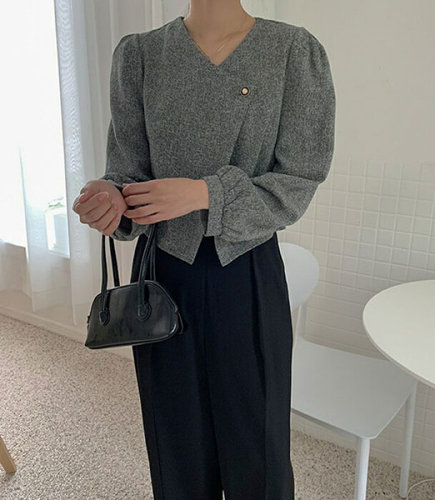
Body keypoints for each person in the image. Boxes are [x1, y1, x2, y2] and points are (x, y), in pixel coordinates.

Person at [73, 1, 335, 498]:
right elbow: (127, 172)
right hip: (163, 272)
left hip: (246, 270)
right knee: (175, 440)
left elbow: (299, 179)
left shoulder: (292, 51)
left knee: (258, 444)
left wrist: (206, 193)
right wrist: (112, 197)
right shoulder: (140, 55)